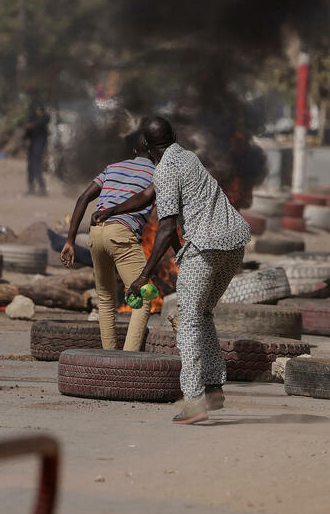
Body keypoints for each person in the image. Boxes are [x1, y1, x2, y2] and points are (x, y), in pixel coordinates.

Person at [94, 117, 250, 425]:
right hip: (233, 244)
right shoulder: (187, 156)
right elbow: (148, 195)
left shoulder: (164, 169)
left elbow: (164, 230)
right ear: (174, 137)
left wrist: (144, 275)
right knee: (203, 314)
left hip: (204, 249)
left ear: (148, 149)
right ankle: (215, 387)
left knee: (188, 321)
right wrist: (113, 209)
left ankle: (194, 401)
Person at [61, 132, 154, 352]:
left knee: (105, 299)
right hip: (122, 232)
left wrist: (70, 241)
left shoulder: (112, 168)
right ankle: (128, 359)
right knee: (144, 298)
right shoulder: (159, 172)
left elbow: (83, 198)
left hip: (96, 233)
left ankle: (109, 358)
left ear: (134, 151)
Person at [24, 102, 50, 196]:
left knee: (37, 165)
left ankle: (42, 189)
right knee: (30, 166)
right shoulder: (32, 115)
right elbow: (27, 129)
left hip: (39, 143)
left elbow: (46, 119)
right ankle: (31, 188)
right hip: (32, 143)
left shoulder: (44, 117)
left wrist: (33, 125)